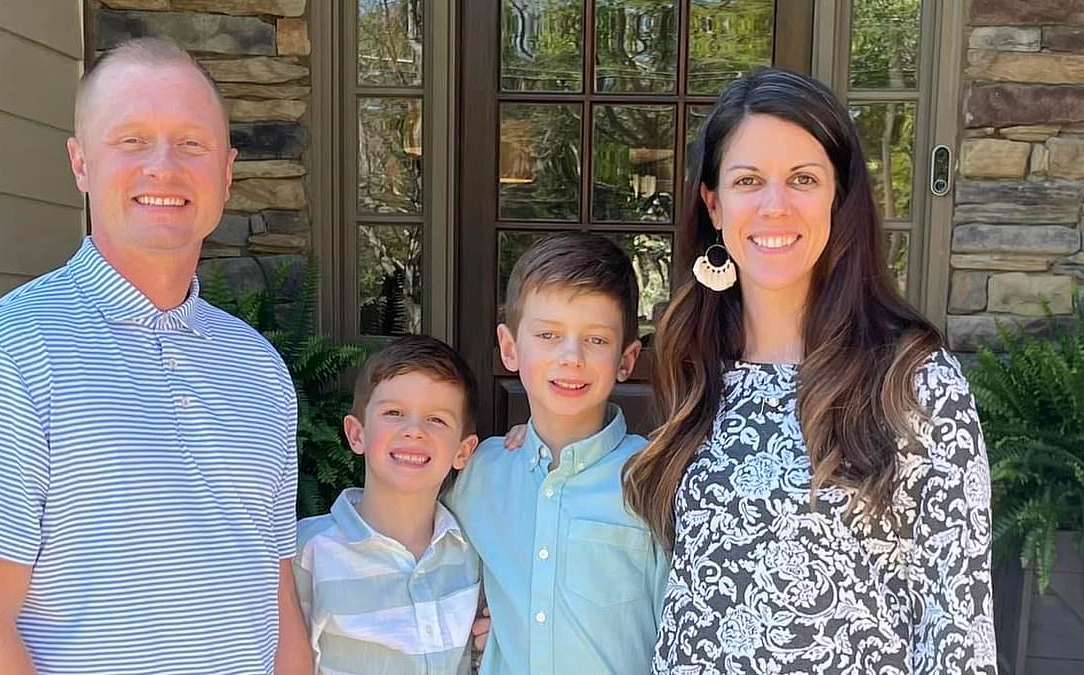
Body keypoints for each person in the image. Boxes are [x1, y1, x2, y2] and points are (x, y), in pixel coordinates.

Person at [0, 37, 311, 674]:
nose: (164, 166)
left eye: (192, 142)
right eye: (132, 140)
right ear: (81, 163)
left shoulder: (259, 368)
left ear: (227, 170)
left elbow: (276, 590)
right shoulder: (1, 358)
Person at [622, 68, 997, 674]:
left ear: (838, 197)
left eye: (803, 179)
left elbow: (960, 623)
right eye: (748, 181)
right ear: (713, 204)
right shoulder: (695, 361)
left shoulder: (912, 380)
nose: (775, 206)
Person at [447, 232, 670, 674]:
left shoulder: (651, 478)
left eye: (596, 340)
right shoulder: (481, 473)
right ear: (510, 348)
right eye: (548, 334)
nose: (571, 356)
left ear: (626, 360)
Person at [289, 336, 482, 674]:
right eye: (394, 413)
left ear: (463, 451)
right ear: (356, 434)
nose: (414, 431)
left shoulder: (472, 553)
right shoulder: (307, 552)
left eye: (437, 420)